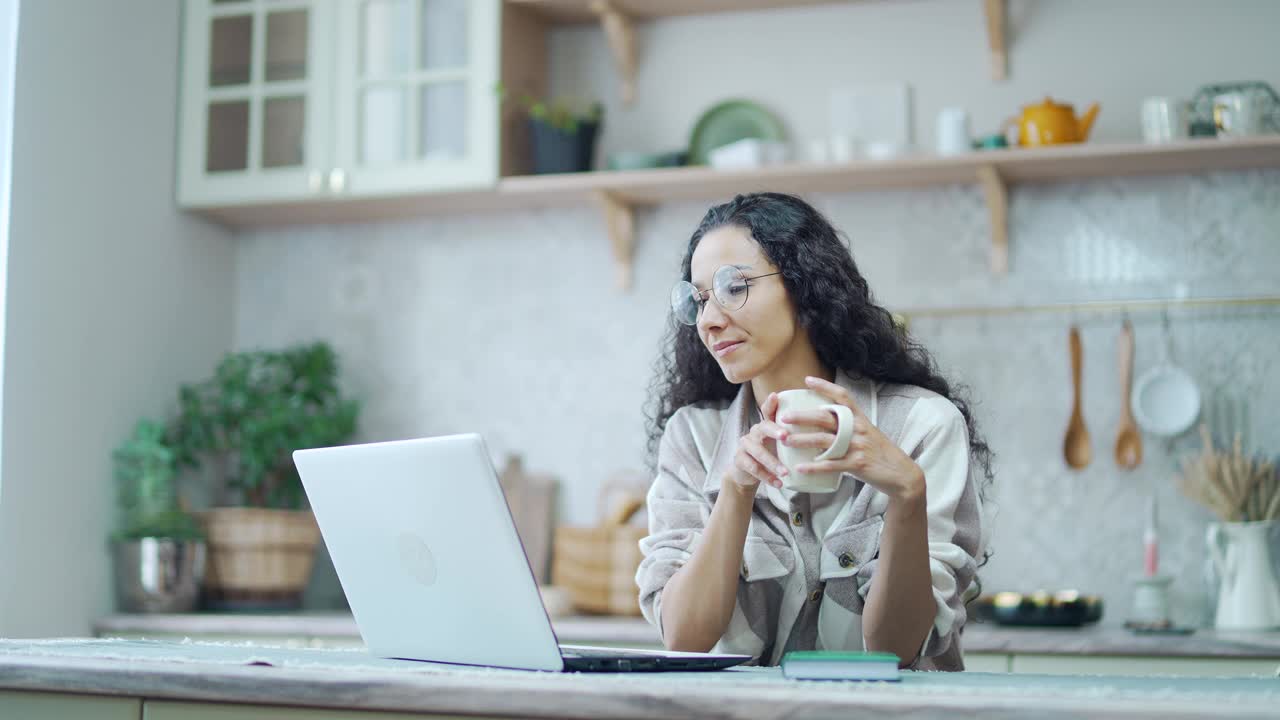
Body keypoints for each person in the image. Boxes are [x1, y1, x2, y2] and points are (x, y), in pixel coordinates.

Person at [636, 192, 992, 670]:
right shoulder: (694, 437)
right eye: (698, 300)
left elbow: (897, 651)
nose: (710, 320)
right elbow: (685, 637)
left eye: (733, 286)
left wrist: (907, 493)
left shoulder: (923, 425)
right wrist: (737, 490)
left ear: (803, 287)